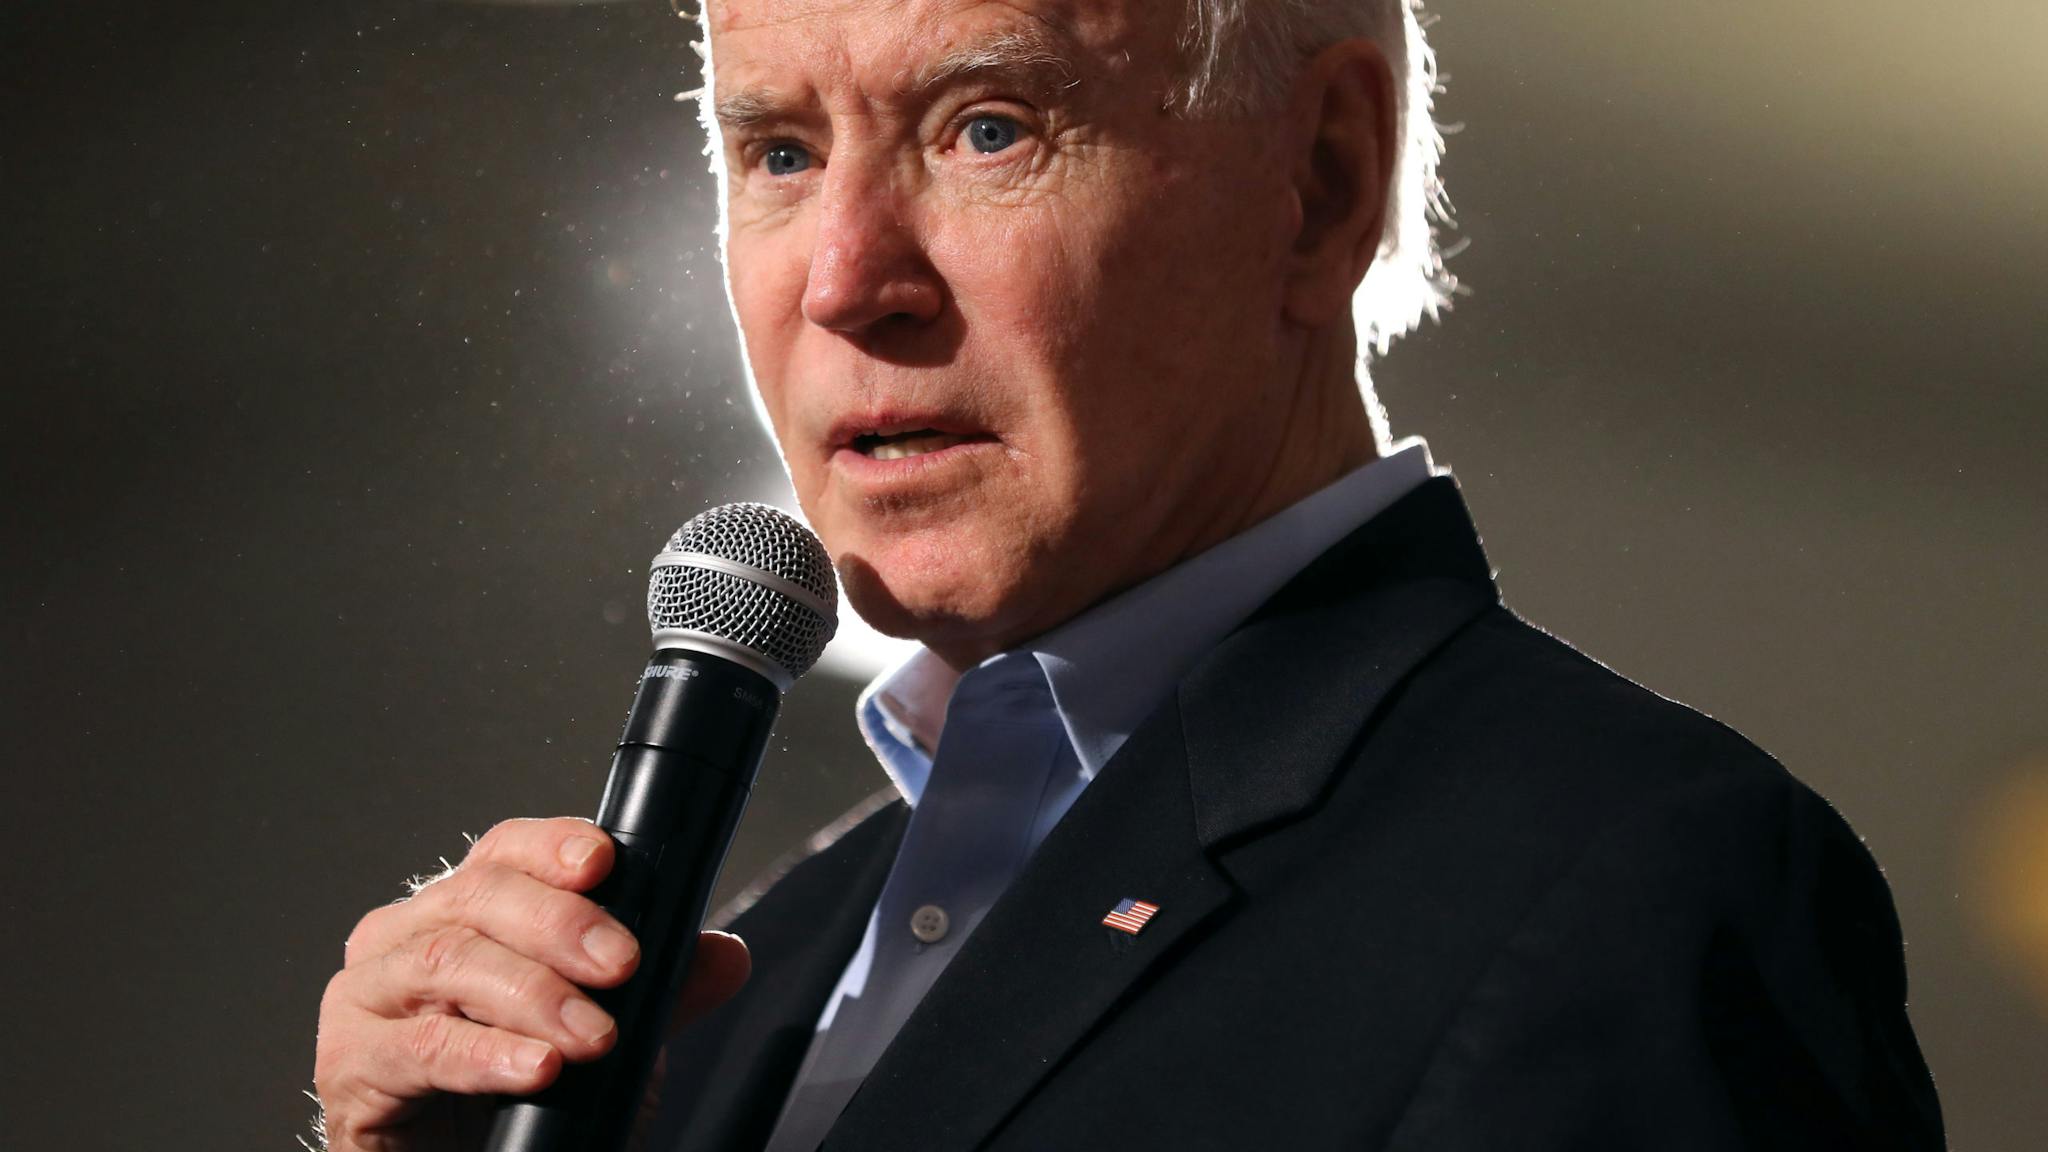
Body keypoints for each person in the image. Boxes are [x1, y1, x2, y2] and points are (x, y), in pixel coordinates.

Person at [312, 0, 1946, 1148]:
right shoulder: (748, 971)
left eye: (988, 126)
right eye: (781, 152)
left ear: (1318, 184)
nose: (845, 278)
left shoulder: (1641, 883)